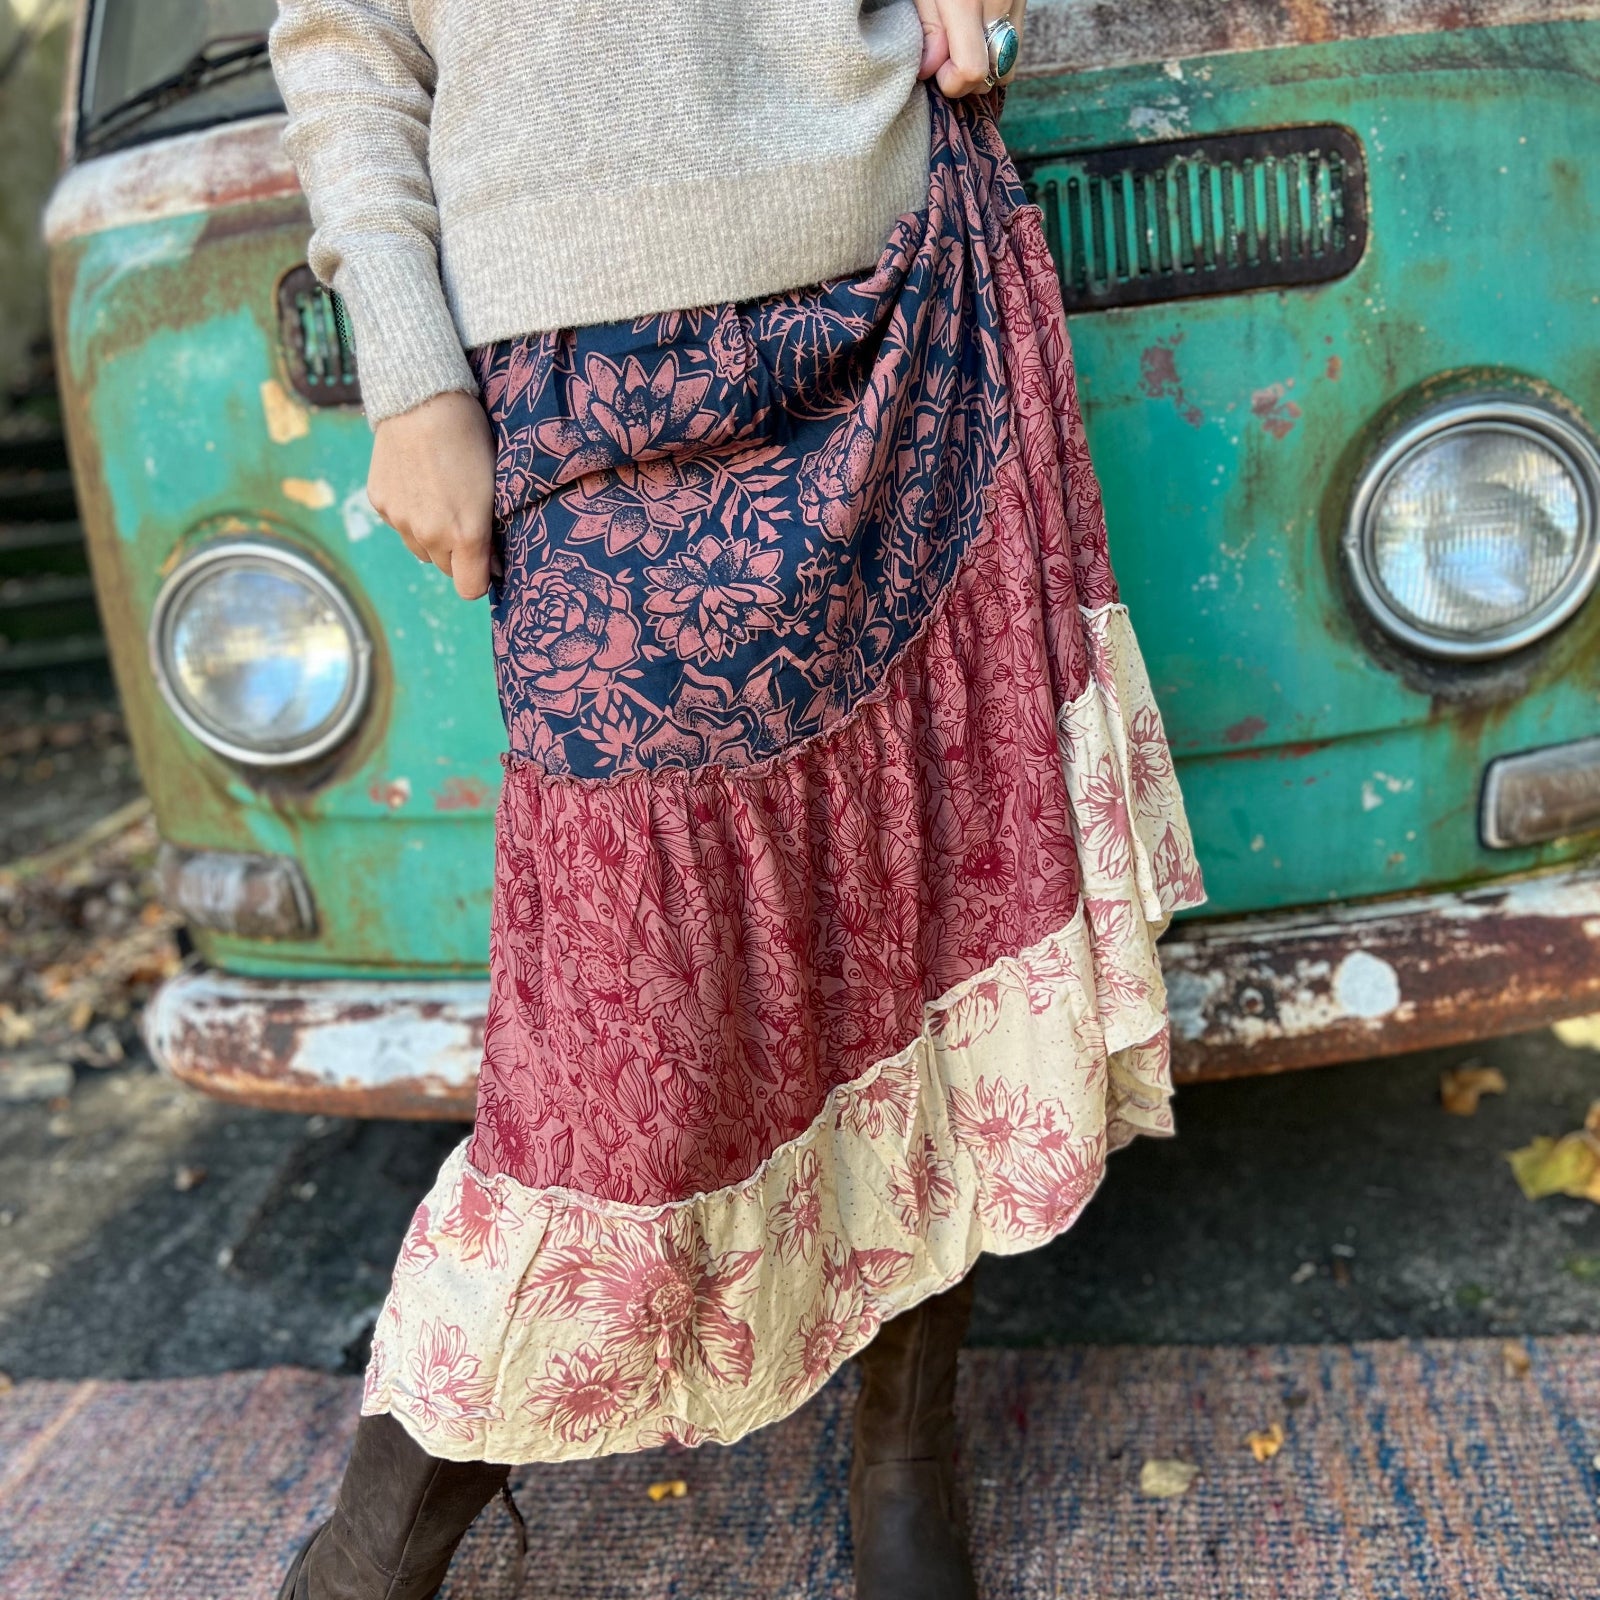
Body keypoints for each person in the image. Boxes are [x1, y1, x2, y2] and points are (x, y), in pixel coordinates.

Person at [268, 1, 1205, 1595]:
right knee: (614, 1037)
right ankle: (386, 1536)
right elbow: (344, 34)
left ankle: (906, 1444)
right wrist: (409, 367)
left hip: (896, 281)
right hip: (570, 368)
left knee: (926, 900)